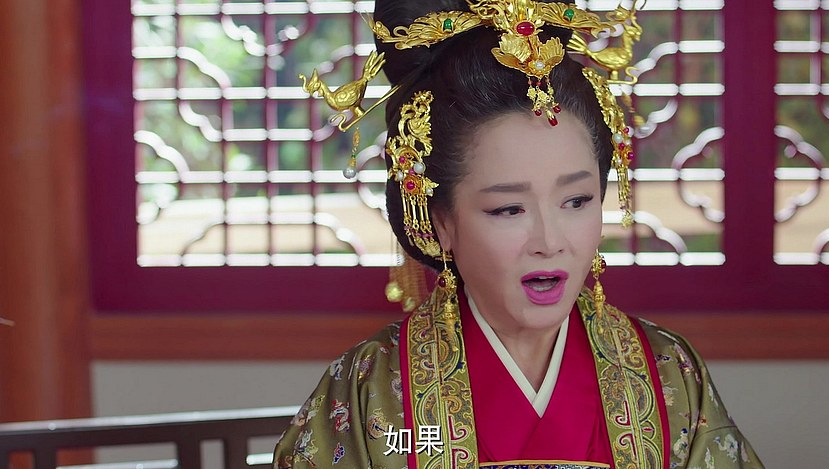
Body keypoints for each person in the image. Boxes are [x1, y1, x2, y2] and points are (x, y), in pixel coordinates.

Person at [276, 0, 763, 467]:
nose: (549, 241)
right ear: (441, 220)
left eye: (576, 201)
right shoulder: (376, 394)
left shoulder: (668, 376)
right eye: (509, 209)